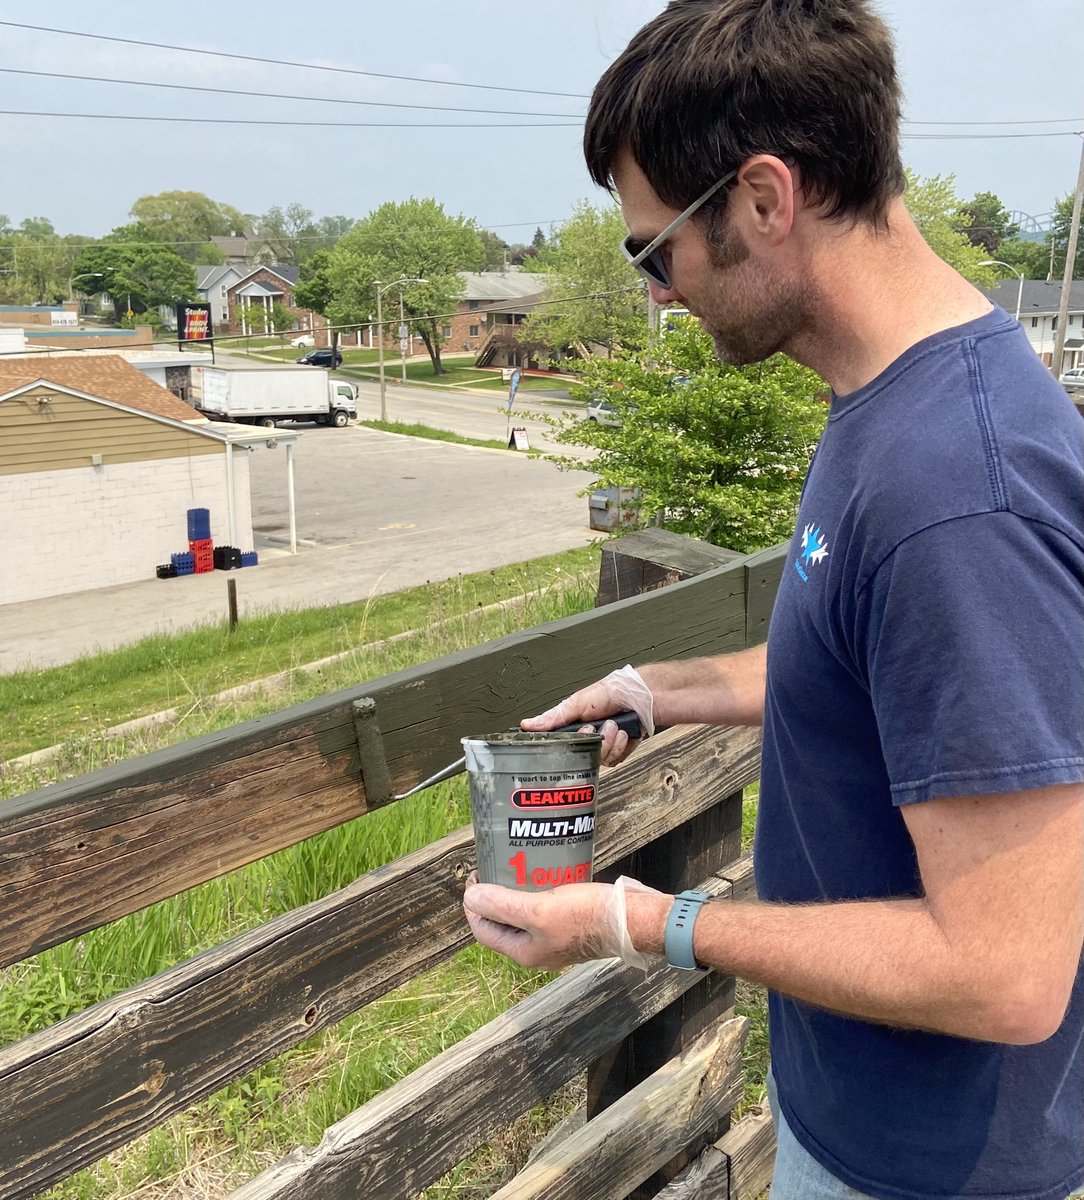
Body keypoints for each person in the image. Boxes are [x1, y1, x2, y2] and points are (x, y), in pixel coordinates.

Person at [462, 3, 1084, 1198]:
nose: (654, 295)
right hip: (860, 1113)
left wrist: (643, 925)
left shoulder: (957, 488)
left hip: (934, 1166)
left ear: (762, 197)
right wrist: (664, 691)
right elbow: (884, 668)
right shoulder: (893, 404)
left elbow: (1005, 973)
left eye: (655, 253)